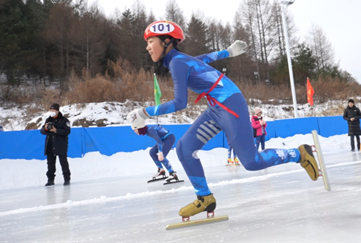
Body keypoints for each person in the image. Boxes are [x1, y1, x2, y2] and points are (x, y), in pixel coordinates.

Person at [126, 20, 319, 218]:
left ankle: (299, 153)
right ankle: (205, 198)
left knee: (251, 162)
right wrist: (228, 52)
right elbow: (205, 58)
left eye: (151, 41)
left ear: (166, 41)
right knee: (185, 148)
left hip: (230, 104)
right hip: (216, 108)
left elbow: (179, 103)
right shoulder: (180, 60)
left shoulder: (177, 62)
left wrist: (144, 112)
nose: (148, 47)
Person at [40, 103, 71, 186]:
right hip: (50, 144)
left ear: (57, 111)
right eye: (50, 110)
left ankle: (67, 179)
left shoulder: (64, 120)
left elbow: (67, 131)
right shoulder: (48, 120)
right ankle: (50, 180)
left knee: (63, 163)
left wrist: (56, 130)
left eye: (53, 110)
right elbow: (42, 131)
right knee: (50, 164)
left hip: (60, 144)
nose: (51, 112)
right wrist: (45, 129)